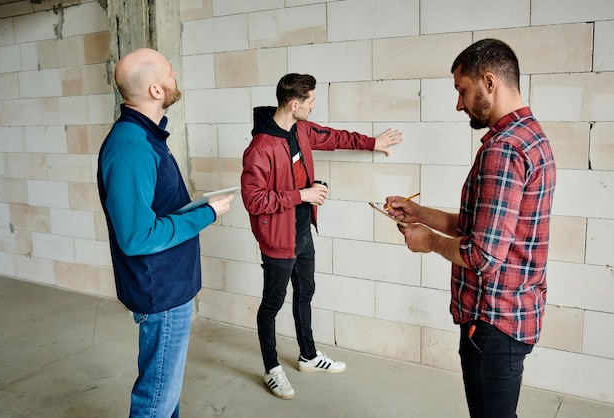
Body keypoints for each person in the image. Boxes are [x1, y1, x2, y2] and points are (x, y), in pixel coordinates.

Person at [385, 39, 556, 418]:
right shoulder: (530, 134)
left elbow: (482, 256)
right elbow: (483, 226)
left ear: (489, 82)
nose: (459, 103)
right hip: (514, 314)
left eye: (462, 90)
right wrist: (419, 213)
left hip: (492, 322)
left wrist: (427, 241)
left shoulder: (504, 150)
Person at [241, 73, 403, 399]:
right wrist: (301, 195)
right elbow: (254, 201)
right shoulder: (259, 149)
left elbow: (334, 137)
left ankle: (308, 355)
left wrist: (373, 142)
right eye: (311, 101)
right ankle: (273, 369)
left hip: (303, 232)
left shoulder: (301, 129)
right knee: (272, 304)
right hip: (277, 240)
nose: (314, 106)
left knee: (306, 292)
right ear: (294, 103)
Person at [97, 48, 233, 418]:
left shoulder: (148, 137)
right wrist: (205, 215)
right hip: (160, 292)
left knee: (165, 394)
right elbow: (137, 237)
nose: (176, 79)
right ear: (157, 91)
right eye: (171, 73)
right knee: (156, 399)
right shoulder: (131, 146)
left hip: (169, 285)